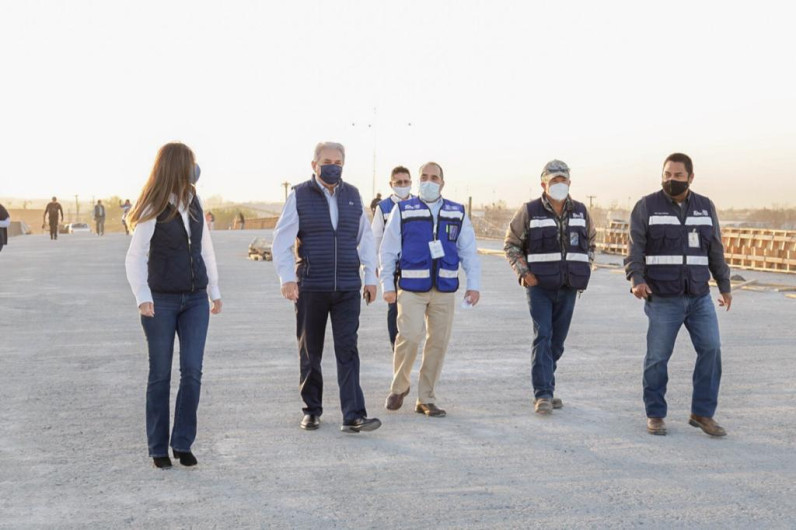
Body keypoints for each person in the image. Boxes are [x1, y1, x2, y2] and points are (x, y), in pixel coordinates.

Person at [272, 141, 381, 433]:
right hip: (311, 285)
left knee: (348, 349)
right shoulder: (299, 196)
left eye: (338, 161)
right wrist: (287, 279)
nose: (333, 166)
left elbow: (366, 239)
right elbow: (281, 242)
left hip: (347, 286)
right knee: (311, 351)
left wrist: (371, 277)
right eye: (327, 161)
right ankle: (312, 410)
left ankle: (353, 415)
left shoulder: (354, 196)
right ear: (314, 165)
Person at [124, 142, 222, 469]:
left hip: (195, 298)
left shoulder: (194, 199)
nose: (195, 168)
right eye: (191, 162)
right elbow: (135, 256)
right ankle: (157, 447)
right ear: (177, 165)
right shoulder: (154, 204)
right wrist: (143, 296)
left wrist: (214, 289)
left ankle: (182, 443)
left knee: (192, 372)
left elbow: (205, 247)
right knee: (160, 375)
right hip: (161, 301)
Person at [624, 152, 732, 437]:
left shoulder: (705, 207)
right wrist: (636, 279)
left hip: (698, 296)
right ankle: (656, 414)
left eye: (678, 176)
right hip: (663, 298)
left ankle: (702, 413)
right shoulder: (647, 206)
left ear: (691, 177)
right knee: (658, 357)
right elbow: (635, 249)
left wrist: (724, 285)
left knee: (711, 349)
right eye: (667, 175)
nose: (671, 180)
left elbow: (715, 250)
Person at [380, 162, 481, 418]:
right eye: (424, 176)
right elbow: (388, 249)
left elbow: (468, 251)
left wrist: (474, 285)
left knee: (438, 343)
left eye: (434, 177)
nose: (428, 181)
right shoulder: (403, 210)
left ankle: (426, 398)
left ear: (442, 183)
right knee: (410, 336)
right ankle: (399, 386)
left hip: (445, 289)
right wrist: (387, 285)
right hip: (411, 288)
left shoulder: (457, 212)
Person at [503, 160, 596, 415]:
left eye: (562, 180)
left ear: (569, 182)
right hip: (539, 286)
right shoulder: (529, 211)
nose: (559, 184)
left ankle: (548, 386)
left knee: (557, 342)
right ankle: (542, 394)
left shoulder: (580, 211)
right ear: (543, 183)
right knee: (543, 336)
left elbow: (591, 244)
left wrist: (584, 268)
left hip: (568, 287)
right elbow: (511, 245)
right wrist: (524, 273)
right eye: (554, 180)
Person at [371, 166, 413, 351]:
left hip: (415, 265)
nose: (402, 185)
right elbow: (375, 238)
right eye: (398, 182)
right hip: (393, 267)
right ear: (391, 184)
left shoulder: (419, 204)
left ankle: (409, 346)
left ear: (411, 183)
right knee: (394, 309)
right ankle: (396, 348)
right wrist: (375, 265)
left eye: (406, 182)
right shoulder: (384, 208)